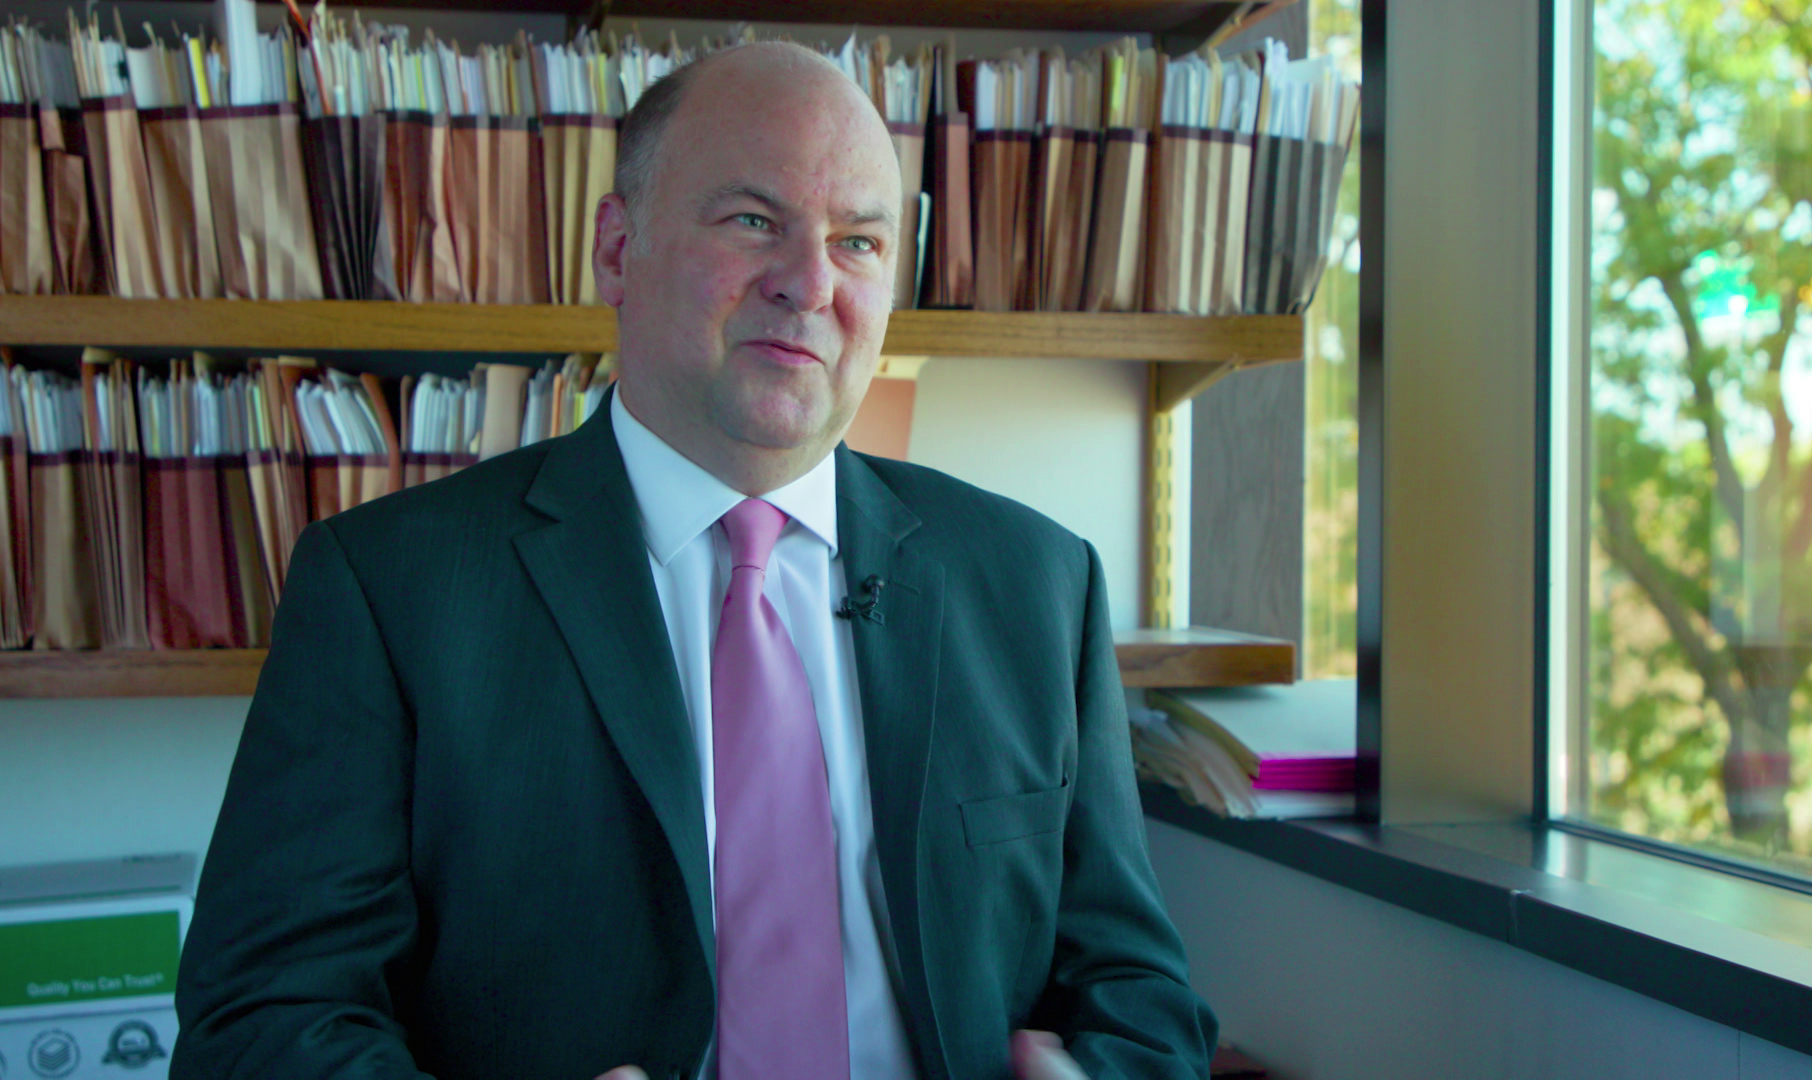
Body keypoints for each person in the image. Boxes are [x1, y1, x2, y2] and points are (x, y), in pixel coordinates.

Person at [172, 41, 1216, 1080]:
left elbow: (1140, 996)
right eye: (753, 221)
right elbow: (262, 1019)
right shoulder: (392, 588)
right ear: (617, 250)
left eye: (858, 242)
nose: (809, 284)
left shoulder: (1037, 582)